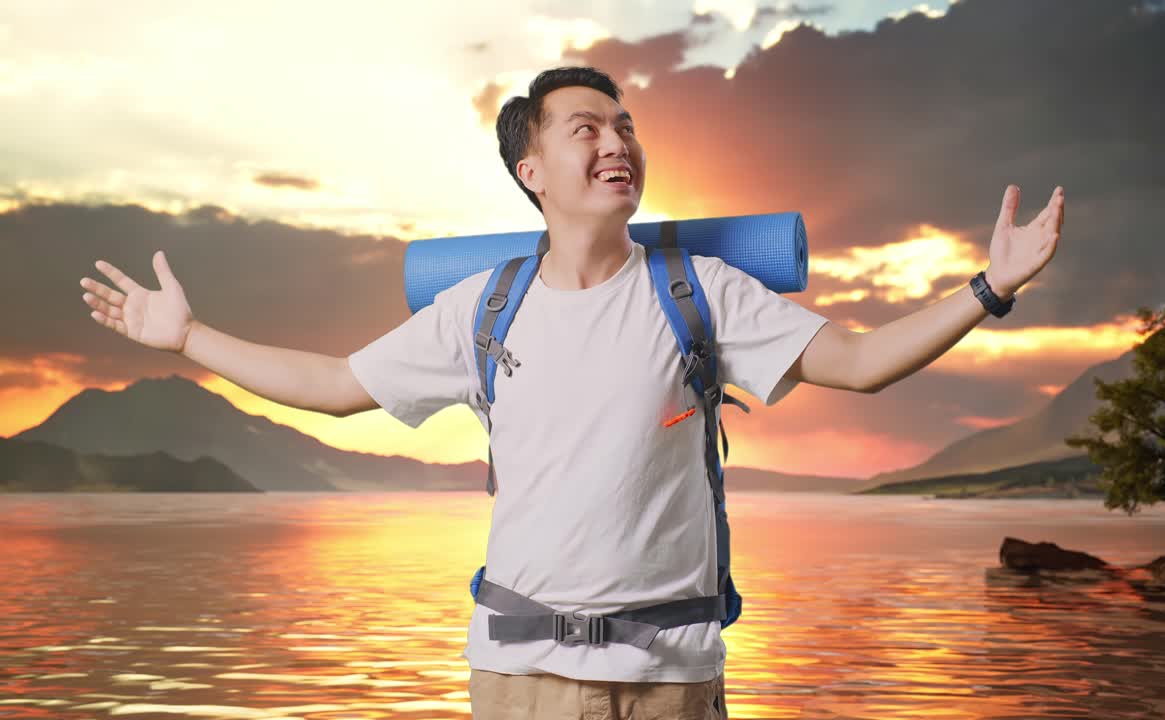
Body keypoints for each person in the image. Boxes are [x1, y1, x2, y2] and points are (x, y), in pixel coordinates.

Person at [79, 65, 1063, 720]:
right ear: (531, 167)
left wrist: (988, 288)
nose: (616, 143)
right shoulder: (484, 309)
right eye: (586, 127)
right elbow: (334, 386)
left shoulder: (698, 292)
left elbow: (859, 361)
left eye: (626, 127)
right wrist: (190, 336)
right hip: (519, 681)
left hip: (674, 678)